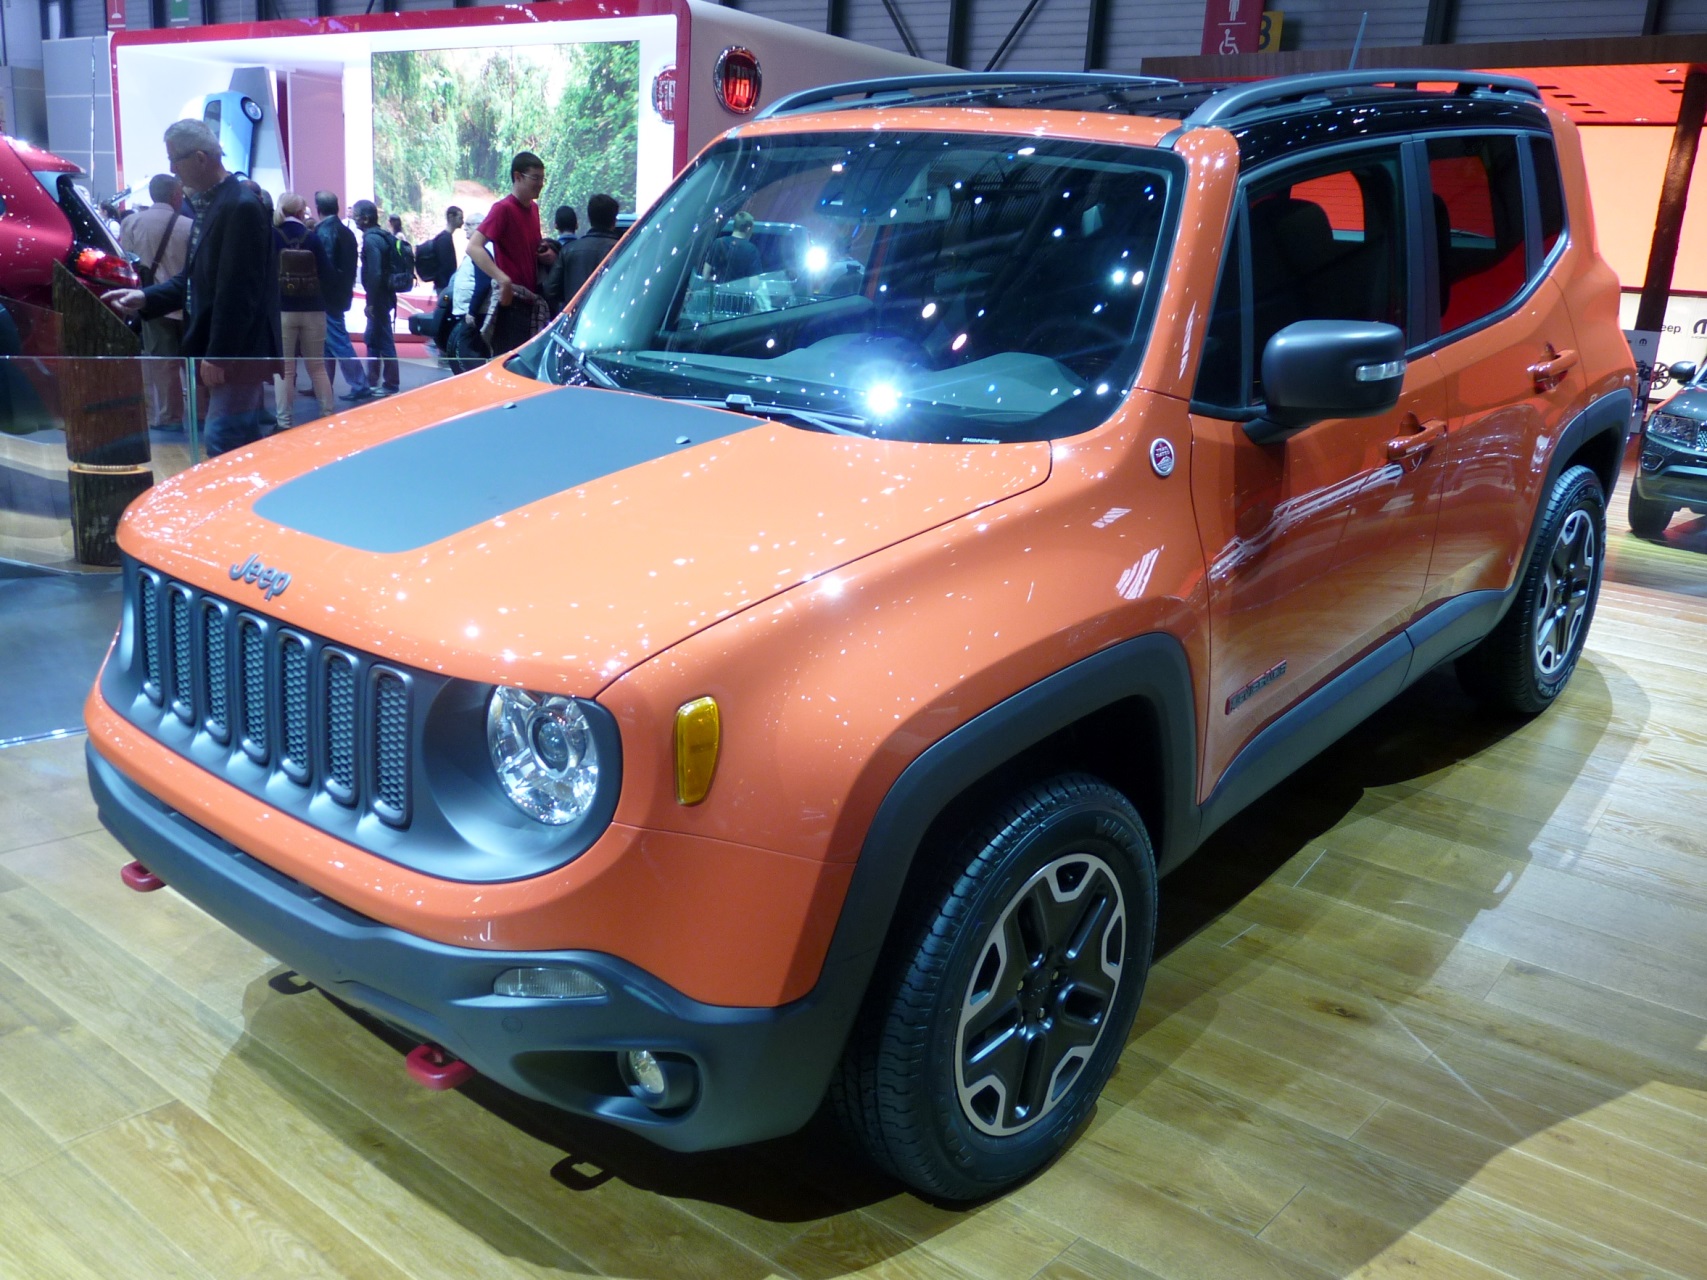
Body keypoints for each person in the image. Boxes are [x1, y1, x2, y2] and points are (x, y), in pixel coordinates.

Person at [101, 119, 279, 457]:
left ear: (200, 158)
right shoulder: (218, 203)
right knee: (238, 443)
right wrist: (145, 297)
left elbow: (239, 291)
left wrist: (219, 355)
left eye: (175, 159)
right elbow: (194, 277)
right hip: (232, 351)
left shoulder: (239, 205)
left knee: (223, 440)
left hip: (237, 353)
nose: (172, 169)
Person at [117, 173, 191, 432]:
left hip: (151, 302)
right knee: (194, 362)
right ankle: (202, 413)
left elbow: (128, 262)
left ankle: (170, 416)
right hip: (185, 302)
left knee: (162, 363)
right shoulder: (190, 225)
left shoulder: (131, 223)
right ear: (176, 195)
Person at [465, 151, 546, 353]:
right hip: (512, 303)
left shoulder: (533, 210)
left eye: (542, 178)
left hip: (530, 301)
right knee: (509, 361)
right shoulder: (503, 209)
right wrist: (503, 280)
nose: (540, 184)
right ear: (518, 176)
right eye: (535, 178)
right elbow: (473, 247)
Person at [272, 192, 335, 427]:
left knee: (286, 369)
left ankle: (284, 421)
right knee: (317, 367)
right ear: (301, 212)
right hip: (313, 308)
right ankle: (328, 415)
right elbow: (327, 273)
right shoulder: (313, 238)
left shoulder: (273, 236)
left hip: (283, 310)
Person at [314, 190, 372, 402]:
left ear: (318, 209)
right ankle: (323, 385)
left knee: (338, 342)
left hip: (327, 298)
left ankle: (359, 383)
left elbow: (326, 268)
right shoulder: (346, 232)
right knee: (328, 344)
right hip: (340, 294)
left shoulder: (324, 232)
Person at [353, 199, 400, 396]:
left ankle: (390, 383)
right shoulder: (382, 236)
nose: (354, 219)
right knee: (373, 338)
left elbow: (375, 272)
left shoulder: (371, 240)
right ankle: (372, 381)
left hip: (378, 298)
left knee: (384, 340)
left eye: (356, 216)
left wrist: (371, 302)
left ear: (365, 218)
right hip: (383, 296)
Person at [558, 193, 623, 300]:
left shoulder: (568, 250)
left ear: (589, 218)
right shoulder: (623, 250)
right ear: (614, 220)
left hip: (576, 310)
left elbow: (551, 289)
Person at [704, 209, 762, 282]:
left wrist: (716, 280)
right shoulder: (751, 250)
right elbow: (754, 283)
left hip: (720, 288)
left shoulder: (718, 242)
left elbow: (705, 276)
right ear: (748, 229)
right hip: (739, 289)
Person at [422, 205, 461, 295]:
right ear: (451, 217)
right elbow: (446, 266)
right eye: (460, 218)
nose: (462, 222)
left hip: (444, 286)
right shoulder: (444, 239)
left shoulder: (445, 237)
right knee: (445, 303)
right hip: (444, 287)